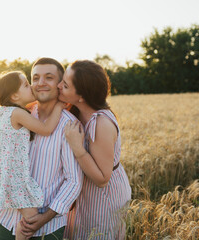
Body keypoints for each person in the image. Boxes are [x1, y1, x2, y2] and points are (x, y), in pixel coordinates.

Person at [0, 71, 66, 240]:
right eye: (26, 84)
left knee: (29, 214)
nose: (31, 86)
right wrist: (59, 106)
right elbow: (46, 130)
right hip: (14, 177)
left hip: (6, 174)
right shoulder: (17, 114)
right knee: (31, 218)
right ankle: (20, 234)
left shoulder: (5, 111)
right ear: (15, 96)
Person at [0, 58, 83, 240]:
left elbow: (73, 181)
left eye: (48, 77)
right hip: (9, 217)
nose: (40, 83)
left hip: (48, 225)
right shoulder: (19, 117)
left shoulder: (70, 126)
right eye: (35, 78)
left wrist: (44, 217)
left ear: (60, 84)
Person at [58, 60, 132, 240]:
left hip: (103, 197)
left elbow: (102, 179)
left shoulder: (101, 123)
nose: (59, 86)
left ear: (81, 96)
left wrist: (77, 147)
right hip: (85, 192)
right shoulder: (75, 111)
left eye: (65, 85)